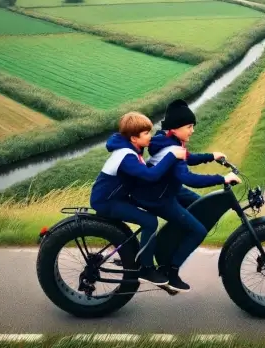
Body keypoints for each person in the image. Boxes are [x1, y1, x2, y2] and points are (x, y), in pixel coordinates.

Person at [137, 99, 240, 292]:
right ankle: (170, 270)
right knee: (198, 230)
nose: (192, 130)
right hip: (158, 196)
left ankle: (171, 244)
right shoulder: (170, 148)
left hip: (166, 188)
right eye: (189, 126)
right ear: (175, 128)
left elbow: (187, 157)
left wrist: (211, 156)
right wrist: (222, 179)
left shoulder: (168, 139)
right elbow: (187, 177)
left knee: (199, 205)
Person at [89, 111, 187, 287]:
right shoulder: (127, 156)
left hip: (117, 196)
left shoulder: (132, 148)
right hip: (107, 201)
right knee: (150, 221)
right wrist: (172, 155)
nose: (150, 136)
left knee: (149, 214)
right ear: (134, 138)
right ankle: (146, 268)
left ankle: (138, 255)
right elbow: (150, 176)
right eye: (146, 133)